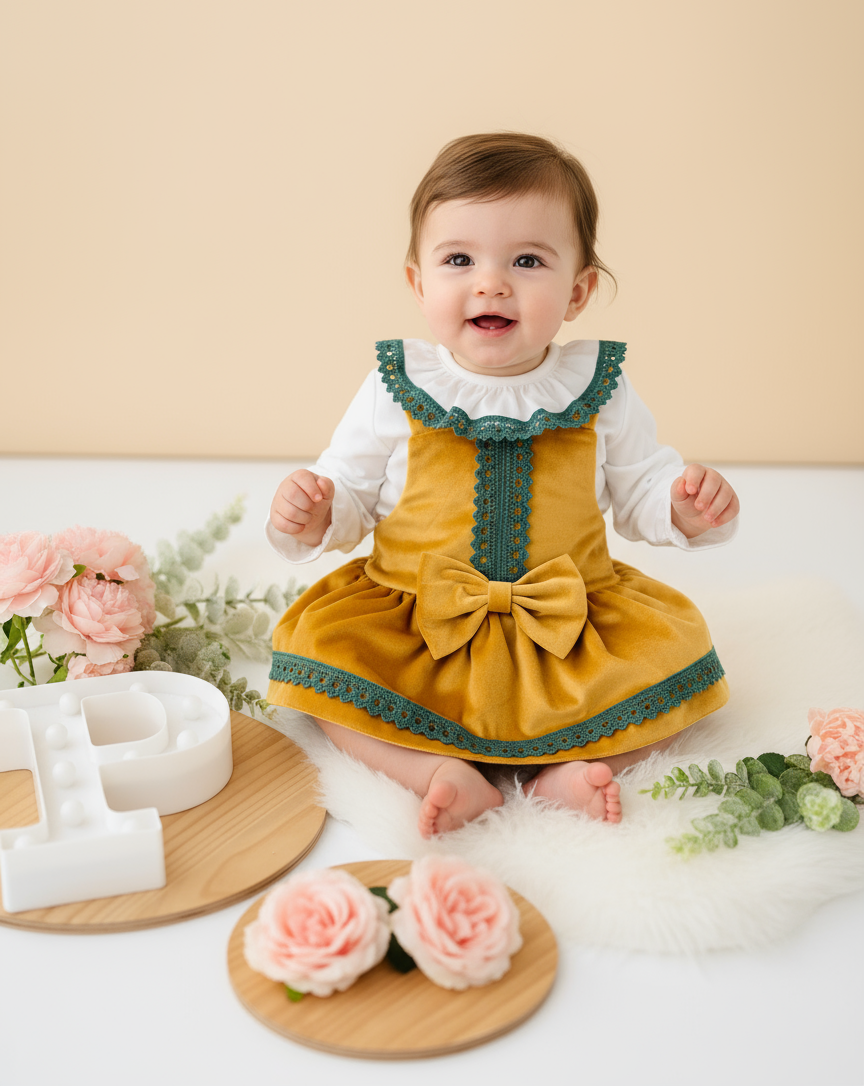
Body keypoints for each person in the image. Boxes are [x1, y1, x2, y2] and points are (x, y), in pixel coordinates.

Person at [266, 132, 740, 839]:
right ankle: (433, 772)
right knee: (326, 682)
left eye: (527, 260)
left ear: (577, 291)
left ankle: (565, 776)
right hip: (418, 619)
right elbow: (351, 487)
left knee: (680, 672)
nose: (491, 283)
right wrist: (315, 509)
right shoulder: (395, 388)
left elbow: (640, 486)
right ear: (418, 283)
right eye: (459, 260)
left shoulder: (598, 388)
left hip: (567, 619)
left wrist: (682, 504)